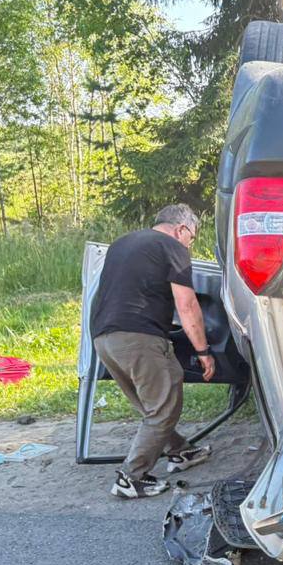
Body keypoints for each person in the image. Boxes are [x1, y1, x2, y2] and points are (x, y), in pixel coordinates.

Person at [91, 204, 217, 498]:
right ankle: (131, 478)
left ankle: (180, 451)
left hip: (104, 338)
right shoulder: (172, 246)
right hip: (140, 336)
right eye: (192, 238)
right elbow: (186, 304)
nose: (189, 244)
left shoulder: (122, 244)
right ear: (181, 229)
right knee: (163, 406)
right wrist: (203, 350)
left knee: (153, 403)